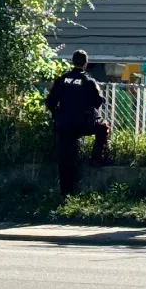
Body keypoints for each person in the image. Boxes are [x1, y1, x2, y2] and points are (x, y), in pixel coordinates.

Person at [46, 50, 110, 196]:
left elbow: (50, 102)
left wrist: (58, 115)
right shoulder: (88, 81)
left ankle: (65, 191)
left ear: (72, 61)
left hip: (63, 124)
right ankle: (96, 159)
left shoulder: (62, 80)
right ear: (86, 63)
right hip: (83, 124)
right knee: (103, 128)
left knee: (65, 158)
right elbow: (97, 102)